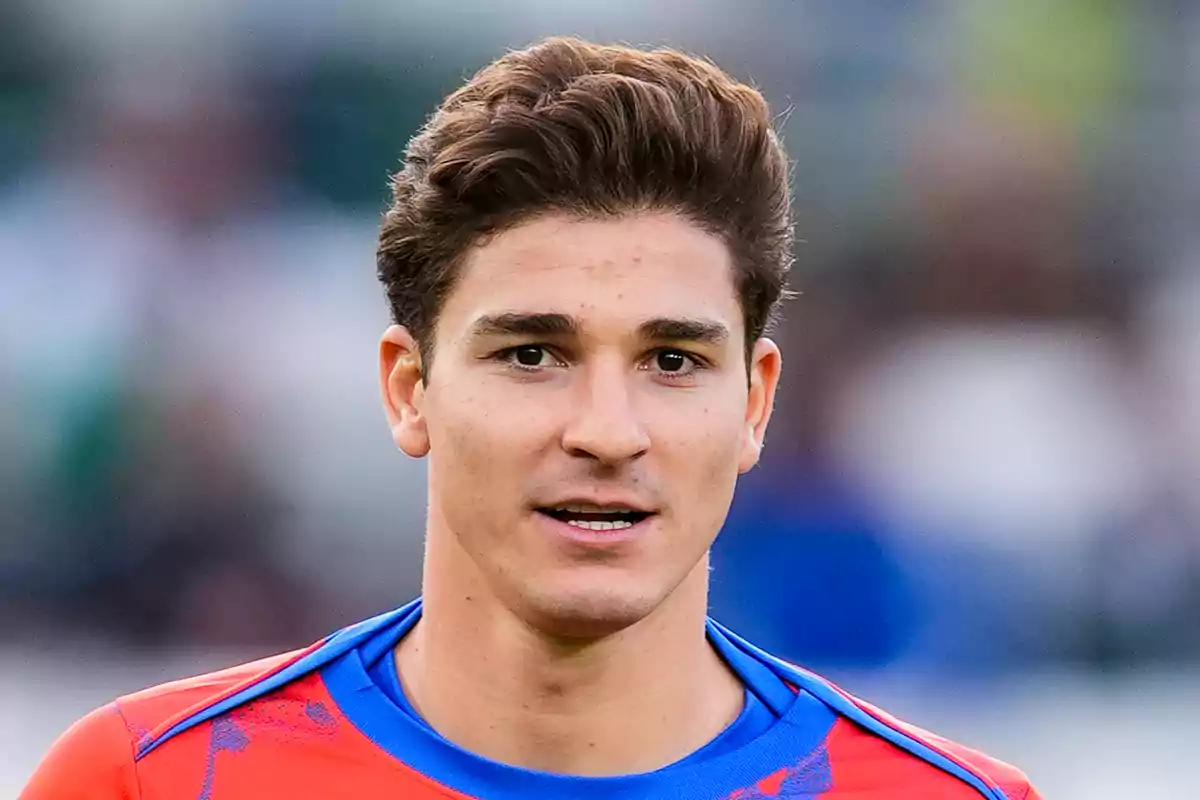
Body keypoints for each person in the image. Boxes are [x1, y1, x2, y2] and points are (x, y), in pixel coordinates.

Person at [21, 37, 1040, 799]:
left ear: (755, 401)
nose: (606, 429)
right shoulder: (149, 781)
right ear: (408, 388)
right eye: (532, 354)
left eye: (672, 360)